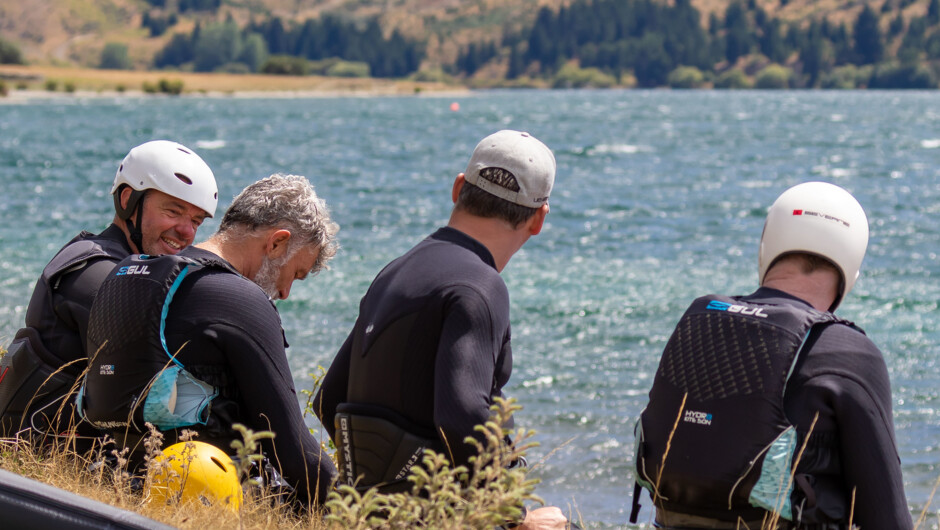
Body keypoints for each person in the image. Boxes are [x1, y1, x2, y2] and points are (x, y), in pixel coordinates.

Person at [314, 130, 567, 529]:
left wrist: (379, 491)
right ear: (539, 219)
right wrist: (515, 516)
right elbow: (461, 415)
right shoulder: (479, 286)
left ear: (458, 188)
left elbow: (329, 399)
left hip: (368, 513)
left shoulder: (396, 271)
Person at [631, 182, 912, 529]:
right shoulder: (846, 349)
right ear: (851, 269)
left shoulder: (699, 318)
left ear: (767, 246)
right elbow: (887, 516)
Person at [81, 174, 339, 507]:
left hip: (123, 479)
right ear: (277, 242)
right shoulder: (239, 298)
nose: (286, 292)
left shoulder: (131, 275)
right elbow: (293, 451)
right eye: (294, 274)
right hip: (202, 495)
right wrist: (354, 509)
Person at [0, 140, 217, 442]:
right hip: (38, 449)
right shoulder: (92, 270)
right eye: (173, 212)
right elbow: (154, 366)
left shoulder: (129, 266)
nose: (186, 232)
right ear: (128, 200)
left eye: (195, 221)